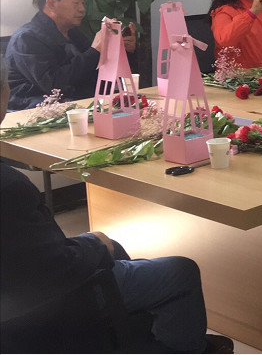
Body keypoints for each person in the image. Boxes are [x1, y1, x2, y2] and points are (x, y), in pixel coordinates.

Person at [0, 58, 233, 353]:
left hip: (21, 290)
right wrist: (94, 245)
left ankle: (130, 336)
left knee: (116, 248)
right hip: (46, 303)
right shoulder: (9, 187)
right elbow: (53, 268)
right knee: (181, 271)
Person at [4, 0, 136, 111]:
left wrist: (122, 52)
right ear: (51, 4)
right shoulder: (26, 38)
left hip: (77, 106)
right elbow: (54, 85)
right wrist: (95, 51)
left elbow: (94, 74)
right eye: (76, 2)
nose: (82, 9)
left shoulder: (72, 32)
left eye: (82, 2)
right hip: (34, 112)